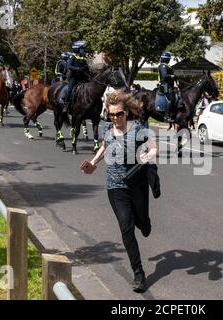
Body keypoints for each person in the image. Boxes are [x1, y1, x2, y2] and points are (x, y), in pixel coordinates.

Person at [80, 89, 158, 293]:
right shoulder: (107, 128)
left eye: (119, 114)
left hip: (137, 184)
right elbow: (105, 145)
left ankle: (145, 222)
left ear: (127, 112)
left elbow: (153, 148)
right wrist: (94, 162)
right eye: (112, 114)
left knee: (142, 223)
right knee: (126, 228)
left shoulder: (138, 129)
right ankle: (138, 273)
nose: (115, 118)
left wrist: (146, 157)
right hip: (115, 187)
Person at [63, 41, 90, 114]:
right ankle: (66, 104)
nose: (84, 51)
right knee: (70, 89)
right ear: (77, 49)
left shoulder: (83, 58)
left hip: (83, 77)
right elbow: (69, 66)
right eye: (82, 49)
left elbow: (86, 68)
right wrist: (77, 68)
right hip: (74, 77)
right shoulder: (73, 57)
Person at [158, 52, 176, 123]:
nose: (169, 60)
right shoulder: (163, 66)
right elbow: (165, 76)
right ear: (166, 59)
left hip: (169, 85)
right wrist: (172, 76)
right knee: (171, 98)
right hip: (165, 86)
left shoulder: (167, 66)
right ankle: (166, 116)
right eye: (168, 59)